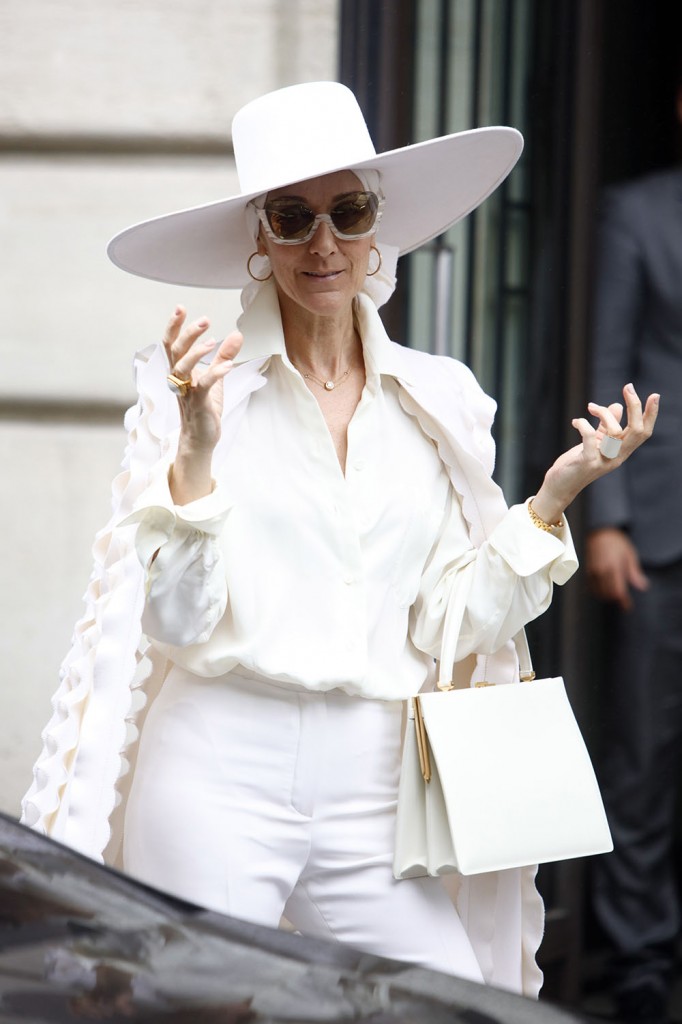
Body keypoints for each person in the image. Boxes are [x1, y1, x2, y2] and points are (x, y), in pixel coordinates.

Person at [21, 81, 658, 998]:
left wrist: (553, 502)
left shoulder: (439, 399)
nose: (323, 243)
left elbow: (450, 619)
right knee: (203, 1015)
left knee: (445, 1002)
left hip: (375, 777)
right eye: (292, 217)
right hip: (217, 764)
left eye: (346, 212)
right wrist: (196, 451)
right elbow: (178, 619)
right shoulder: (202, 391)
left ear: (375, 228)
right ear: (259, 238)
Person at [585, 89, 682, 1024]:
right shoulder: (638, 211)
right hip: (660, 530)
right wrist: (605, 515)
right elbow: (607, 359)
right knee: (643, 755)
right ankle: (637, 959)